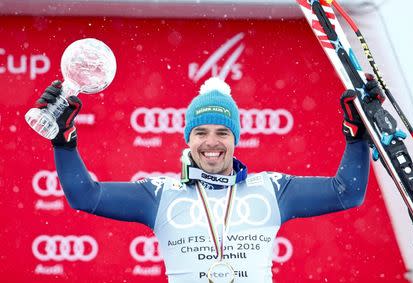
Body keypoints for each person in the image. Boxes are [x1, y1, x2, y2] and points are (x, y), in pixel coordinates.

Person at [35, 75, 382, 283]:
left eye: (222, 132)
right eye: (200, 132)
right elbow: (85, 196)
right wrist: (64, 142)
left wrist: (356, 139)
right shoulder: (160, 195)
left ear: (236, 139)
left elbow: (346, 193)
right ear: (188, 139)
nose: (211, 142)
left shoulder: (272, 190)